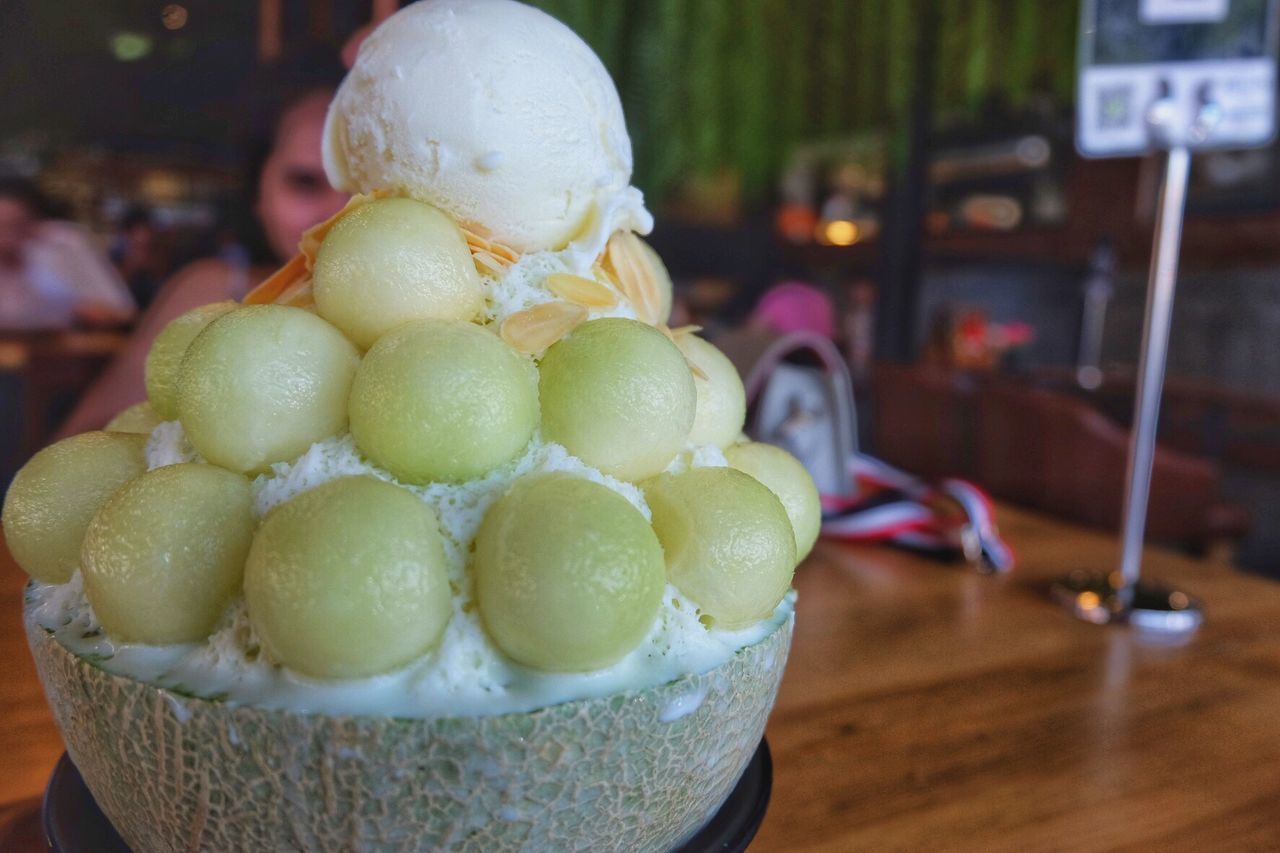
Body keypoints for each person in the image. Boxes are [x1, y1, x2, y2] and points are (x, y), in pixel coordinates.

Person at [60, 76, 348, 436]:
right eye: (305, 182)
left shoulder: (431, 317)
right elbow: (87, 444)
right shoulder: (211, 292)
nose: (338, 215)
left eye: (366, 188)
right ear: (258, 193)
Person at [0, 178, 136, 331]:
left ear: (35, 222)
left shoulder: (63, 243)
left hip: (65, 346)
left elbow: (122, 312)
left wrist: (69, 309)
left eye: (14, 226)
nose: (6, 239)